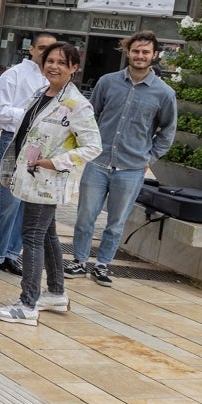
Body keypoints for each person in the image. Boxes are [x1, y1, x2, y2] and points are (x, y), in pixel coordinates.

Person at [0, 43, 101, 325]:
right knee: (48, 234)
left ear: (74, 68)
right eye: (50, 61)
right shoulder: (42, 93)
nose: (53, 66)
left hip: (49, 182)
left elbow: (93, 147)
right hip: (32, 178)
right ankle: (55, 292)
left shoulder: (77, 105)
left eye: (61, 63)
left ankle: (27, 304)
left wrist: (58, 162)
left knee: (32, 236)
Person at [65, 30, 176, 285]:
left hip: (132, 168)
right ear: (129, 52)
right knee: (85, 217)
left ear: (154, 55)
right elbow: (90, 117)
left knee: (116, 222)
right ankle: (80, 261)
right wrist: (87, 147)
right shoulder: (108, 82)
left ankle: (103, 265)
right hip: (98, 161)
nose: (140, 55)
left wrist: (150, 157)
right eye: (136, 50)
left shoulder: (164, 93)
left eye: (145, 52)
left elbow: (167, 131)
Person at [0, 32, 58, 278]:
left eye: (51, 49)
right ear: (32, 49)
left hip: (41, 146)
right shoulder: (13, 75)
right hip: (13, 140)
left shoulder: (54, 80)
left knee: (26, 203)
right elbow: (0, 112)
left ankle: (11, 255)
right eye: (42, 48)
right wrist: (33, 115)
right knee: (7, 201)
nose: (46, 53)